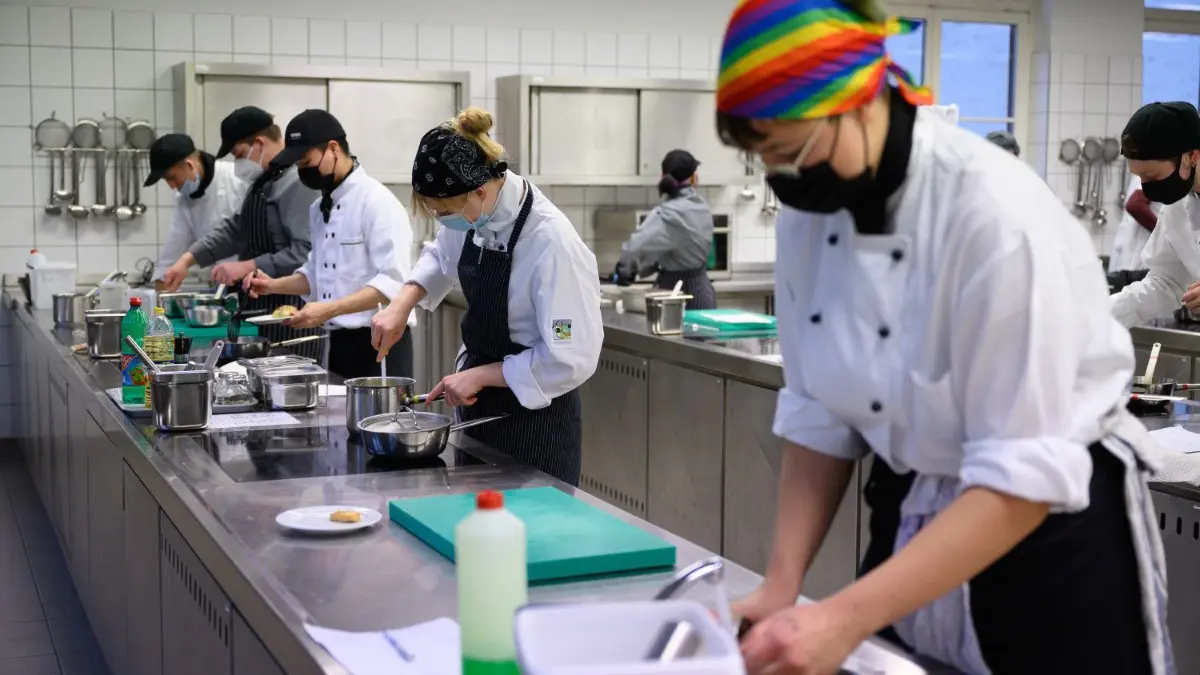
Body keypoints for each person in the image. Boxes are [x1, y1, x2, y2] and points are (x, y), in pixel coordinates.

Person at [714, 2, 1170, 674]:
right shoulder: (812, 214)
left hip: (1049, 532)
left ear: (856, 100)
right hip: (914, 505)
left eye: (788, 153)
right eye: (765, 161)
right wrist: (783, 586)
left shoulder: (992, 215)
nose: (783, 181)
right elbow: (819, 412)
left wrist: (841, 615)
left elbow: (1023, 475)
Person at [370, 107, 602, 486]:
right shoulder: (476, 212)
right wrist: (401, 304)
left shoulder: (551, 243)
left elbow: (571, 357)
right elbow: (440, 254)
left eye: (444, 211)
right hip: (479, 409)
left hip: (535, 423)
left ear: (480, 190)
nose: (442, 218)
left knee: (531, 539)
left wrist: (483, 375)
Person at [244, 109, 415, 380]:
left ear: (333, 149)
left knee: (378, 421)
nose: (302, 170)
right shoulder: (319, 208)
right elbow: (316, 274)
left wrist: (329, 308)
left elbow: (393, 284)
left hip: (379, 342)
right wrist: (272, 286)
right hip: (336, 343)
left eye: (306, 160)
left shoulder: (378, 203)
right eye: (297, 164)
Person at [160, 106, 322, 360]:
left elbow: (307, 252)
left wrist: (248, 265)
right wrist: (188, 259)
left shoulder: (297, 183)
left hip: (290, 314)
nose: (237, 164)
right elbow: (237, 229)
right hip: (258, 309)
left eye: (238, 154)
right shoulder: (263, 182)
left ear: (259, 143)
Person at [1111, 101, 1200, 327]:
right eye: (1140, 178)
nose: (1147, 187)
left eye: (1153, 176)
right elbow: (1166, 282)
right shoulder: (1178, 205)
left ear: (1192, 156)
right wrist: (1095, 317)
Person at [612, 149, 718, 309]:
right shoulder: (702, 207)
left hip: (676, 294)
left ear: (662, 177)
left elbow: (634, 248)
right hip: (702, 292)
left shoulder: (667, 214)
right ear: (694, 178)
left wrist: (624, 271)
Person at [142, 134, 248, 291]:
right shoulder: (184, 199)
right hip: (222, 285)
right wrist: (159, 296)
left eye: (172, 177)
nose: (171, 186)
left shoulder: (238, 180)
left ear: (189, 165)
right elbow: (174, 247)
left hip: (256, 281)